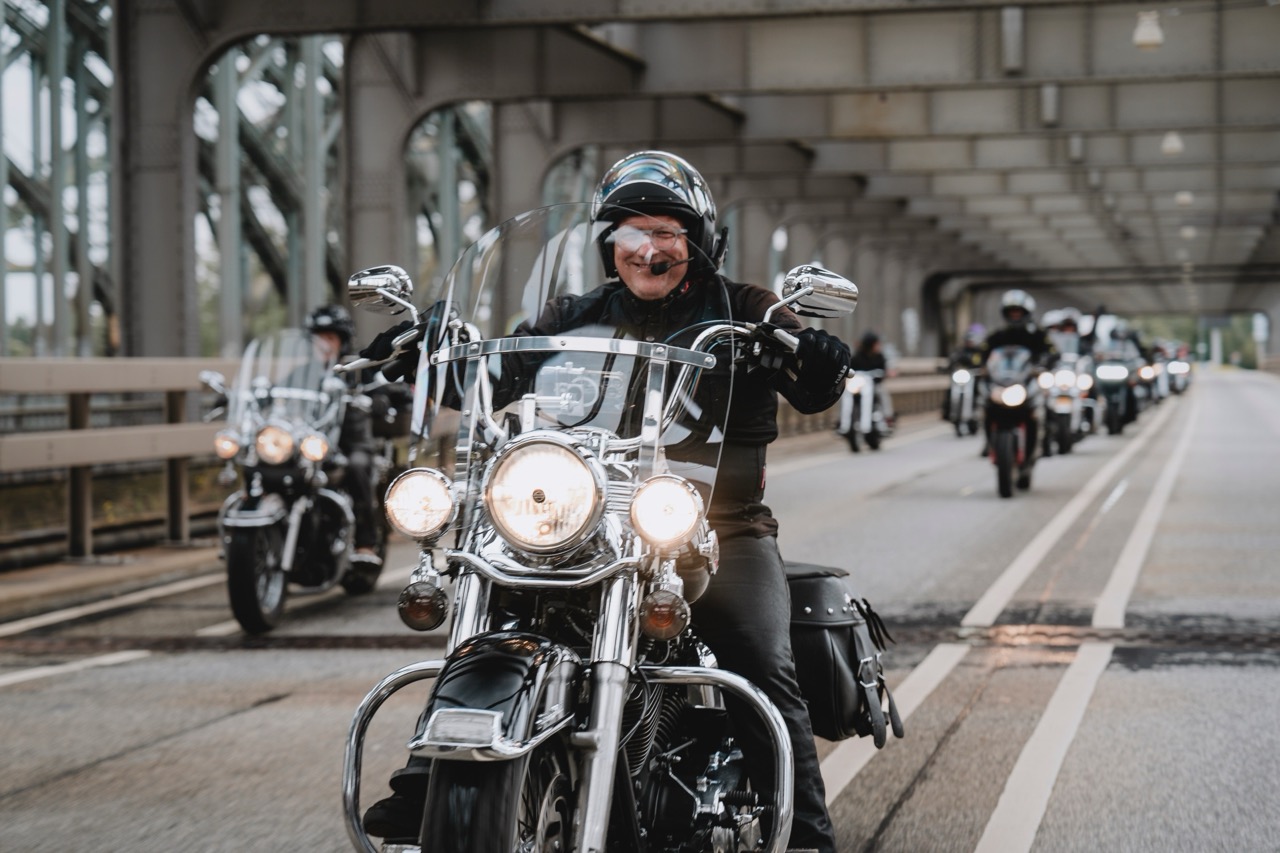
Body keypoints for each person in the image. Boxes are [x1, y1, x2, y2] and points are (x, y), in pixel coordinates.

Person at [358, 150, 850, 853]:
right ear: (608, 245)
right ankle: (435, 774)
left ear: (698, 242)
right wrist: (432, 355)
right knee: (492, 600)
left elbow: (810, 382)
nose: (648, 248)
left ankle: (805, 836)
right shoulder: (574, 314)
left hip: (715, 525)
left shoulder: (745, 309)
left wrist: (817, 355)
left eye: (668, 233)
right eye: (630, 232)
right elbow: (495, 379)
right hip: (588, 522)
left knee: (762, 662)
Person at [305, 304, 381, 563]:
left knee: (357, 467)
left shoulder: (358, 369)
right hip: (313, 443)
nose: (323, 344)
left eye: (330, 338)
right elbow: (277, 392)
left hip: (352, 442)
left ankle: (366, 542)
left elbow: (385, 386)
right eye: (318, 338)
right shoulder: (303, 373)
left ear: (342, 341)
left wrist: (380, 398)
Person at [940, 323, 986, 420]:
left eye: (971, 341)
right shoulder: (961, 351)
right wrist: (947, 368)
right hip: (964, 376)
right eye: (968, 340)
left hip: (975, 376)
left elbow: (985, 363)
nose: (969, 342)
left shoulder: (980, 352)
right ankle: (947, 411)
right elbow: (953, 360)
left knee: (979, 389)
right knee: (950, 390)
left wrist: (984, 370)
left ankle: (977, 408)